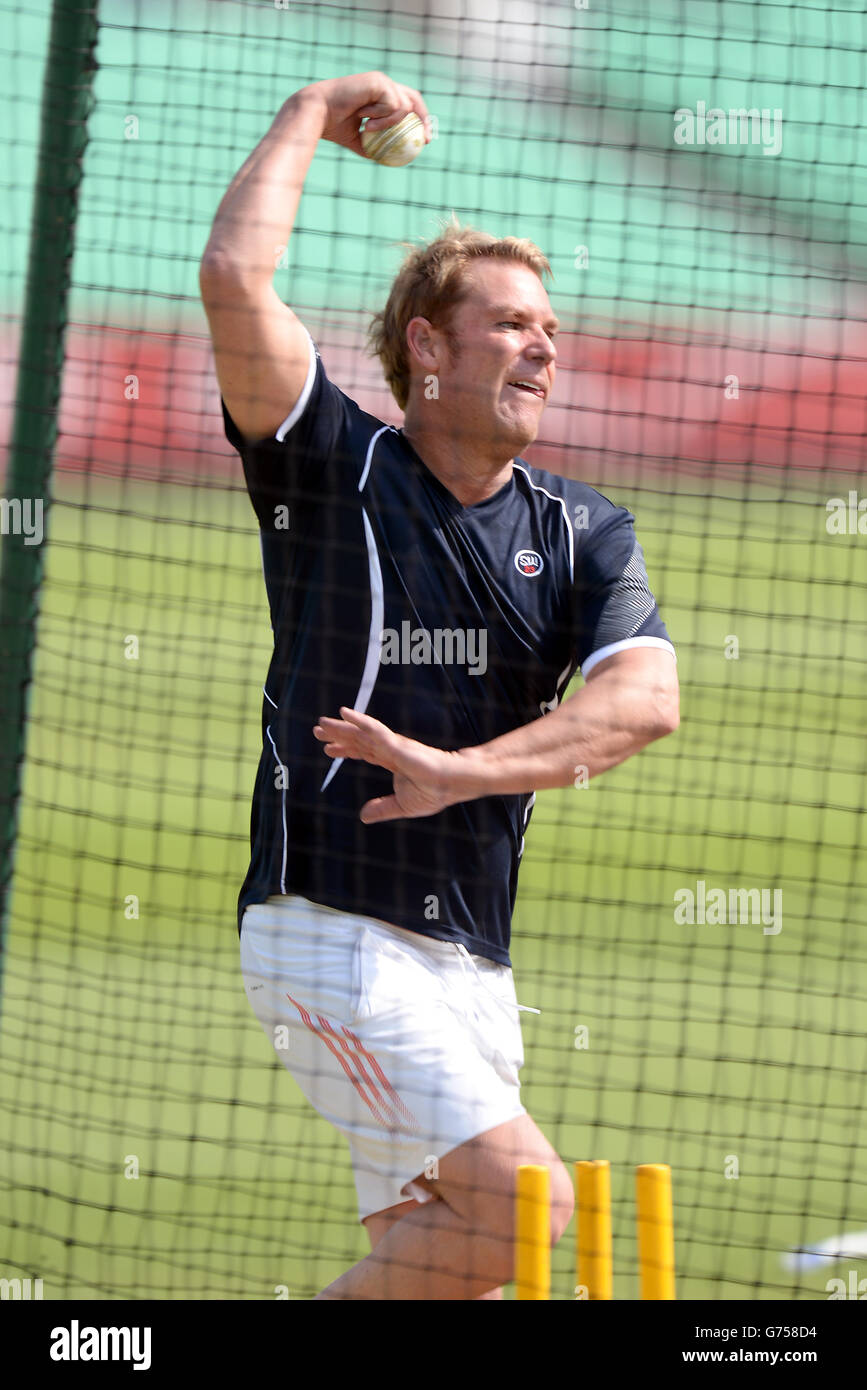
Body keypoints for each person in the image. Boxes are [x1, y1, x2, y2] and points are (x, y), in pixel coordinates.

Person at [199, 71, 679, 1300]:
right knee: (530, 1208)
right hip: (331, 931)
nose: (544, 346)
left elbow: (642, 705)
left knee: (446, 1266)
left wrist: (456, 771)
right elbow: (235, 282)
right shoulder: (331, 462)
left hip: (475, 963)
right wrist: (307, 108)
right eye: (513, 323)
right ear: (426, 347)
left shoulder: (583, 531)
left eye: (551, 331)